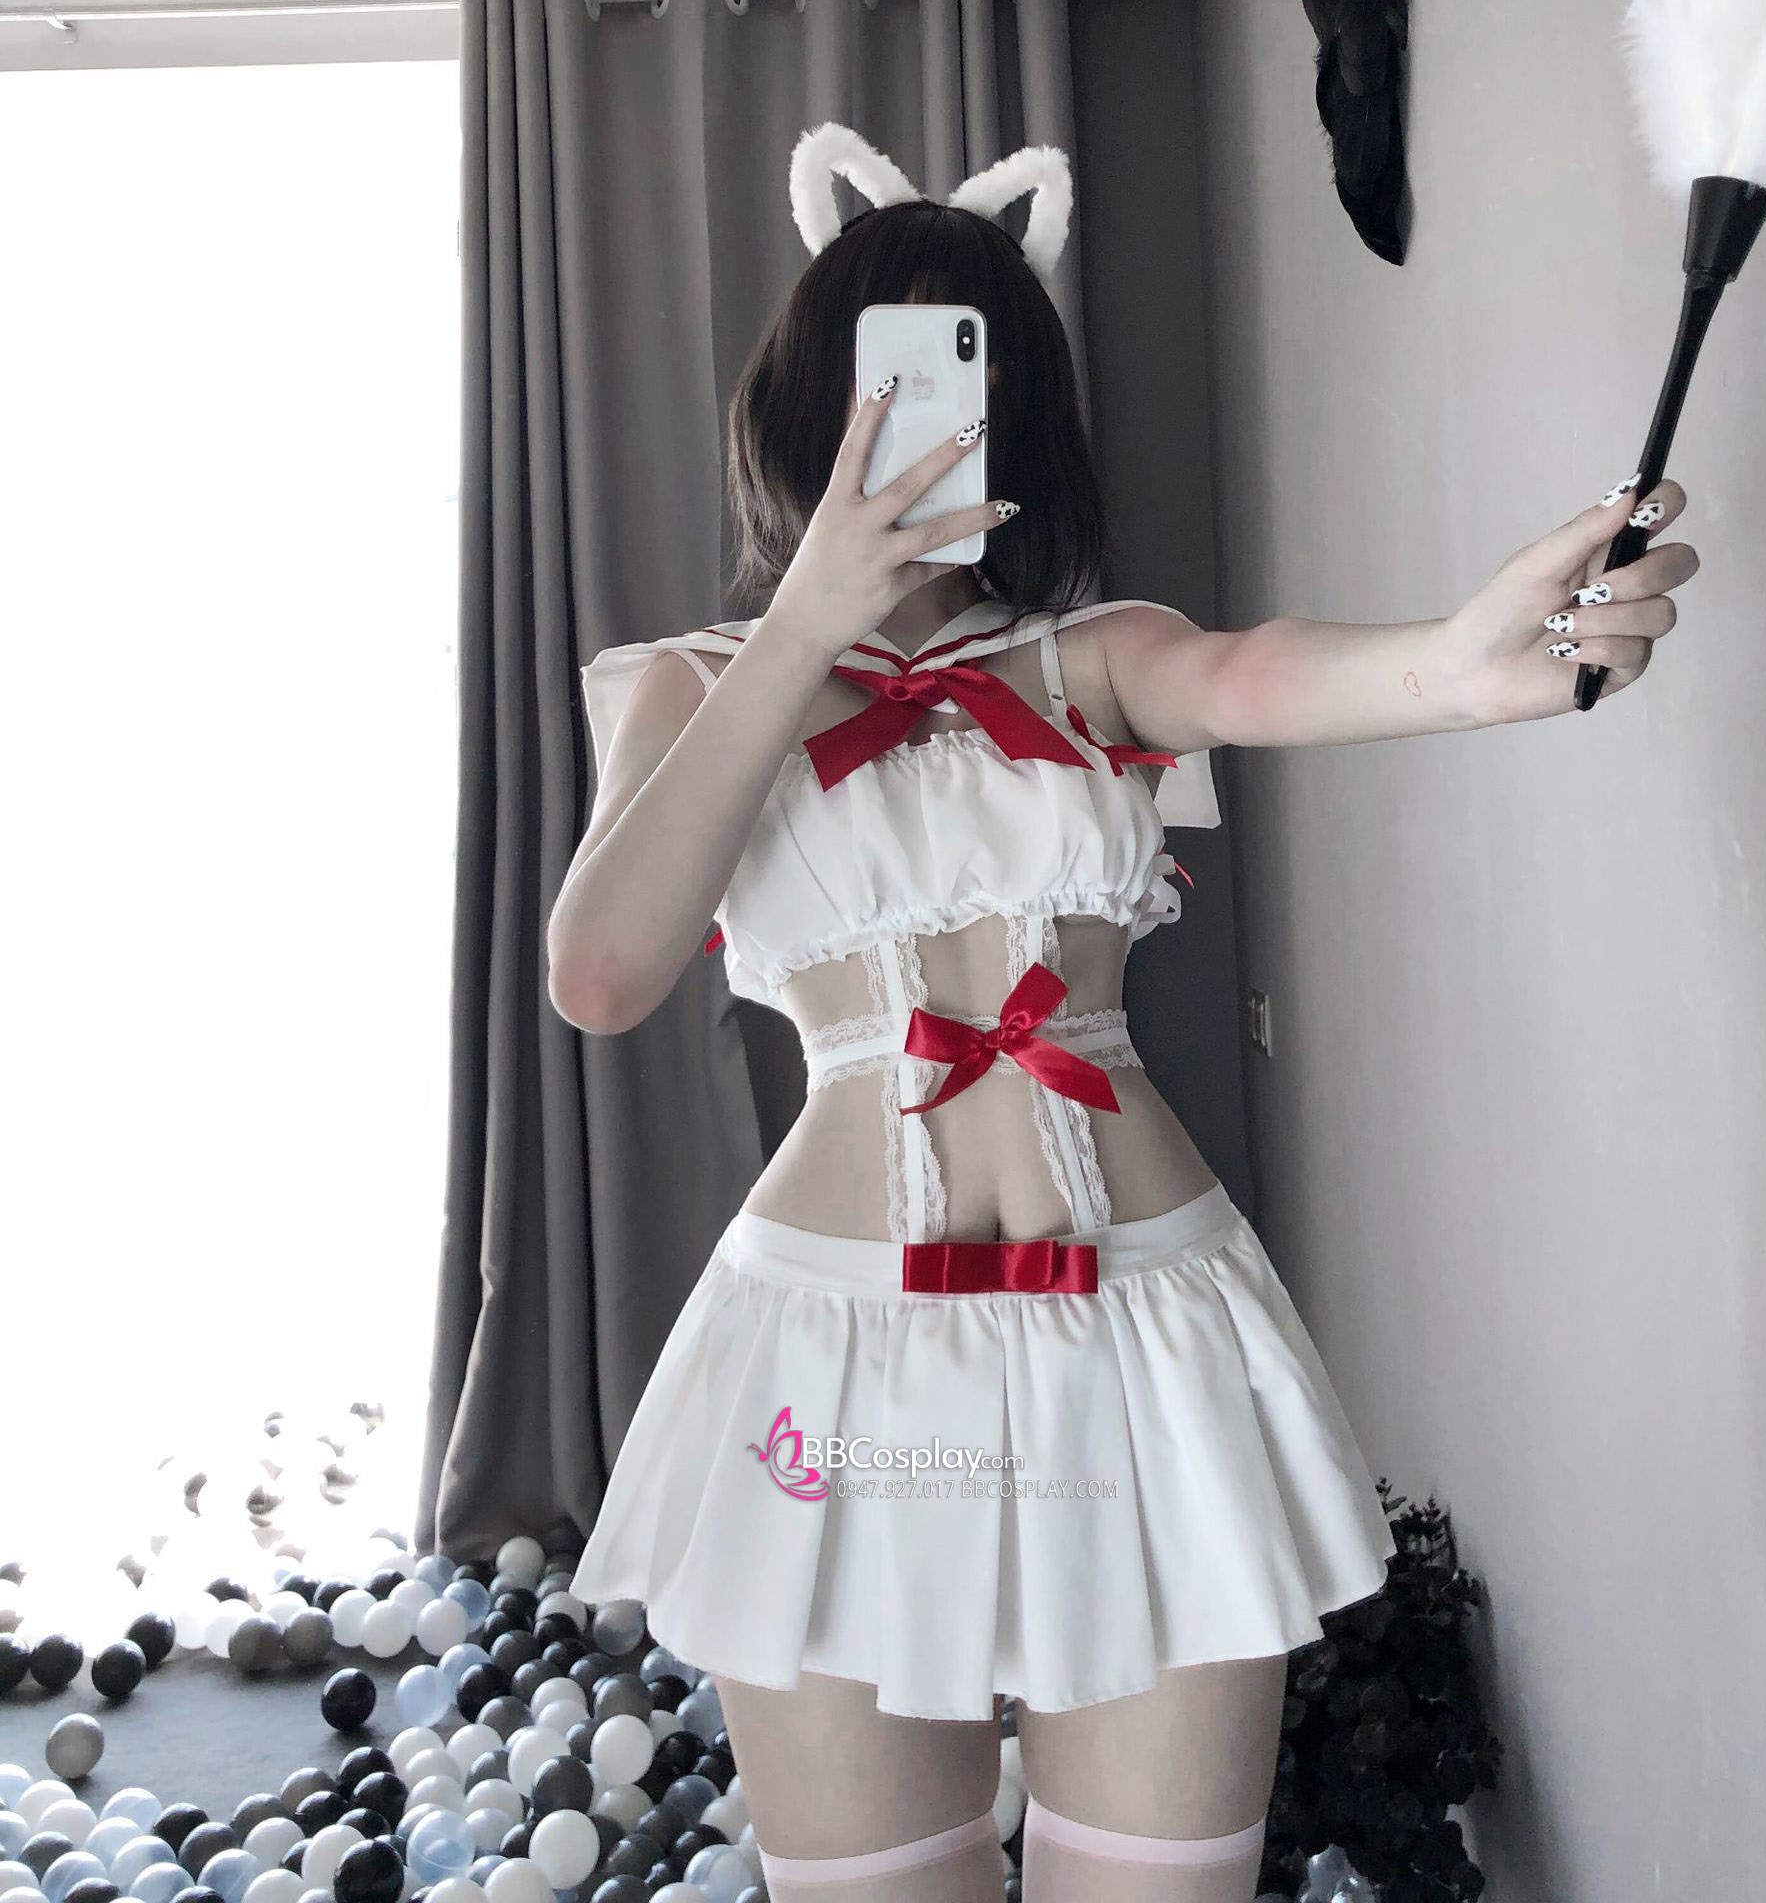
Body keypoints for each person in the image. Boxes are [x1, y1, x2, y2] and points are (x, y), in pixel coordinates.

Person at [546, 125, 1697, 1903]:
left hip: (1146, 1339)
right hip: (834, 1361)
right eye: (880, 379)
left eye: (969, 378)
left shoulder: (1096, 657)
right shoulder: (694, 690)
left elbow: (1268, 674)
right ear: (799, 407)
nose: (923, 425)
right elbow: (603, 974)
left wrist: (1469, 664)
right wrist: (805, 625)